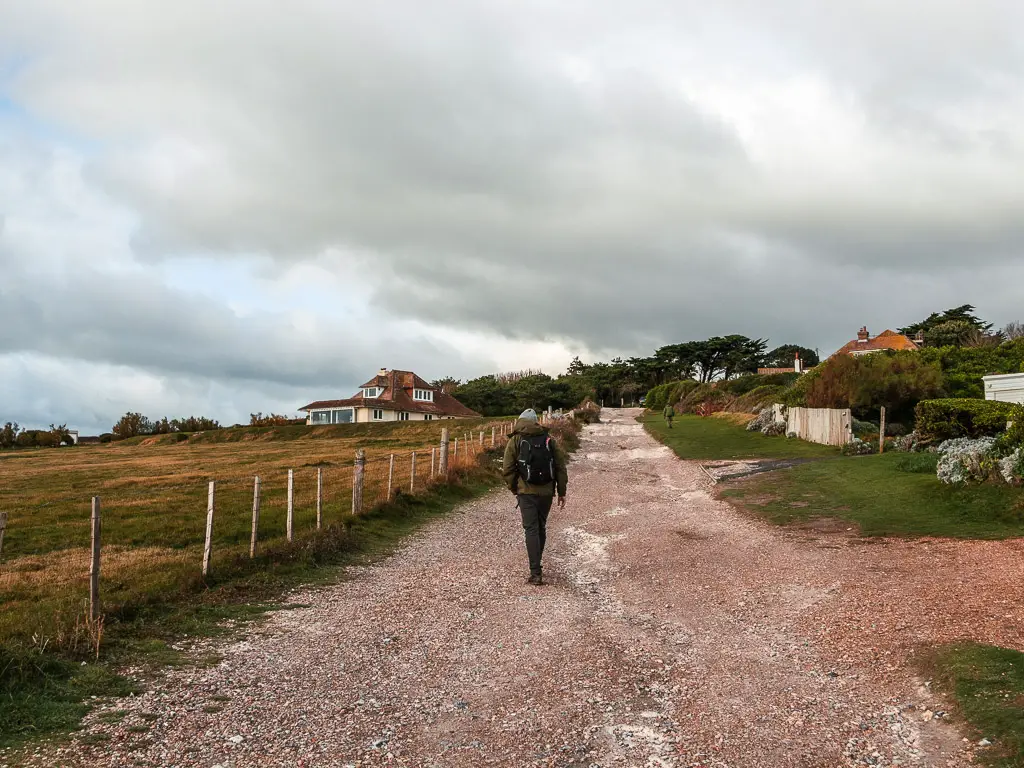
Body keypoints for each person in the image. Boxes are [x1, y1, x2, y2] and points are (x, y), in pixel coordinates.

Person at [502, 409, 568, 585]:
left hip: (526, 492)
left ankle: (536, 572)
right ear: (536, 421)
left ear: (521, 421)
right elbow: (560, 466)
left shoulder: (515, 440)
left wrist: (514, 488)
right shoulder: (548, 440)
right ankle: (537, 565)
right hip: (546, 492)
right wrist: (561, 492)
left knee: (531, 529)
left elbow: (508, 468)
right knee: (541, 527)